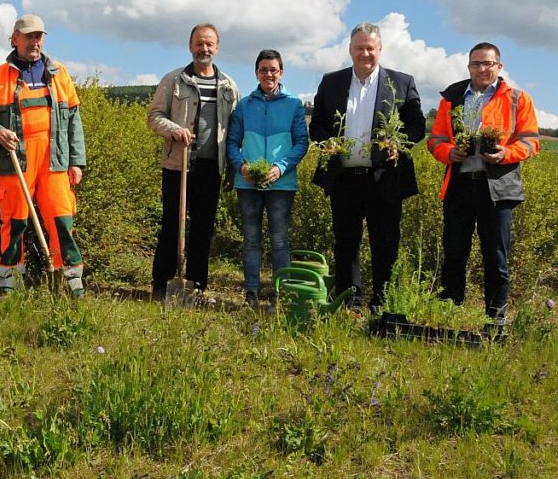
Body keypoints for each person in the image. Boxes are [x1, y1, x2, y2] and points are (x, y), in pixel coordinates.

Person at [309, 22, 425, 311]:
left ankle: (382, 304)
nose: (365, 53)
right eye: (359, 48)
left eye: (370, 48)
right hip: (344, 177)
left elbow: (417, 125)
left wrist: (399, 142)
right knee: (345, 243)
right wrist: (327, 142)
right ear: (350, 50)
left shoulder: (401, 82)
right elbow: (319, 124)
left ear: (380, 50)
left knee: (385, 245)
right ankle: (351, 302)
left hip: (384, 178)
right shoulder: (331, 82)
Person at [0, 14, 86, 296]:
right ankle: (8, 284)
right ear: (14, 39)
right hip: (15, 162)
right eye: (28, 36)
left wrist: (77, 161)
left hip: (55, 160)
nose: (34, 42)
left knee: (62, 220)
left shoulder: (59, 73)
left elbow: (73, 119)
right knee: (14, 222)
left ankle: (70, 283)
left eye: (38, 36)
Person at [427, 42, 540, 324]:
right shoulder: (451, 98)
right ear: (469, 67)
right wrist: (448, 152)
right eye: (476, 64)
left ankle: (495, 320)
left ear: (499, 67)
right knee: (454, 254)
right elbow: (435, 140)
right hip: (460, 184)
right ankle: (449, 316)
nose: (481, 69)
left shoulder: (517, 98)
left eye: (487, 63)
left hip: (498, 188)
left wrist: (505, 154)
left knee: (495, 257)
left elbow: (530, 141)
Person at [147, 23, 240, 300]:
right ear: (190, 46)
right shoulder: (174, 81)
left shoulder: (228, 86)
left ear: (217, 48)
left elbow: (234, 130)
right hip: (179, 165)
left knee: (203, 227)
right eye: (199, 43)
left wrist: (232, 170)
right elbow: (154, 117)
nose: (204, 49)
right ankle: (161, 283)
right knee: (172, 224)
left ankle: (197, 284)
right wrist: (174, 130)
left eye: (209, 44)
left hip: (212, 168)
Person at [227, 50, 309, 307]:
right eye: (263, 70)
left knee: (280, 239)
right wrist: (241, 167)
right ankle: (251, 291)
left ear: (281, 72)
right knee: (251, 239)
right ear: (256, 73)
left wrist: (280, 167)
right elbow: (231, 142)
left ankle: (280, 291)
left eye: (273, 70)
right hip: (247, 182)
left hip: (281, 183)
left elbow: (301, 142)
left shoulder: (294, 104)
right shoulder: (244, 105)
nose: (268, 74)